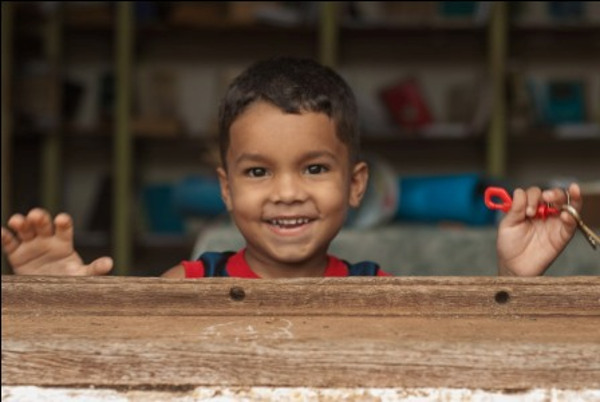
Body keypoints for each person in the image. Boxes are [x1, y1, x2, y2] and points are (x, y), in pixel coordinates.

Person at [1, 57, 583, 278]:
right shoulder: (191, 284)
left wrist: (516, 278)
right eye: (257, 173)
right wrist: (63, 295)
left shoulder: (375, 293)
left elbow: (468, 371)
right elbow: (118, 368)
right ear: (225, 190)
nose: (286, 193)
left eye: (313, 169)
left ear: (356, 186)